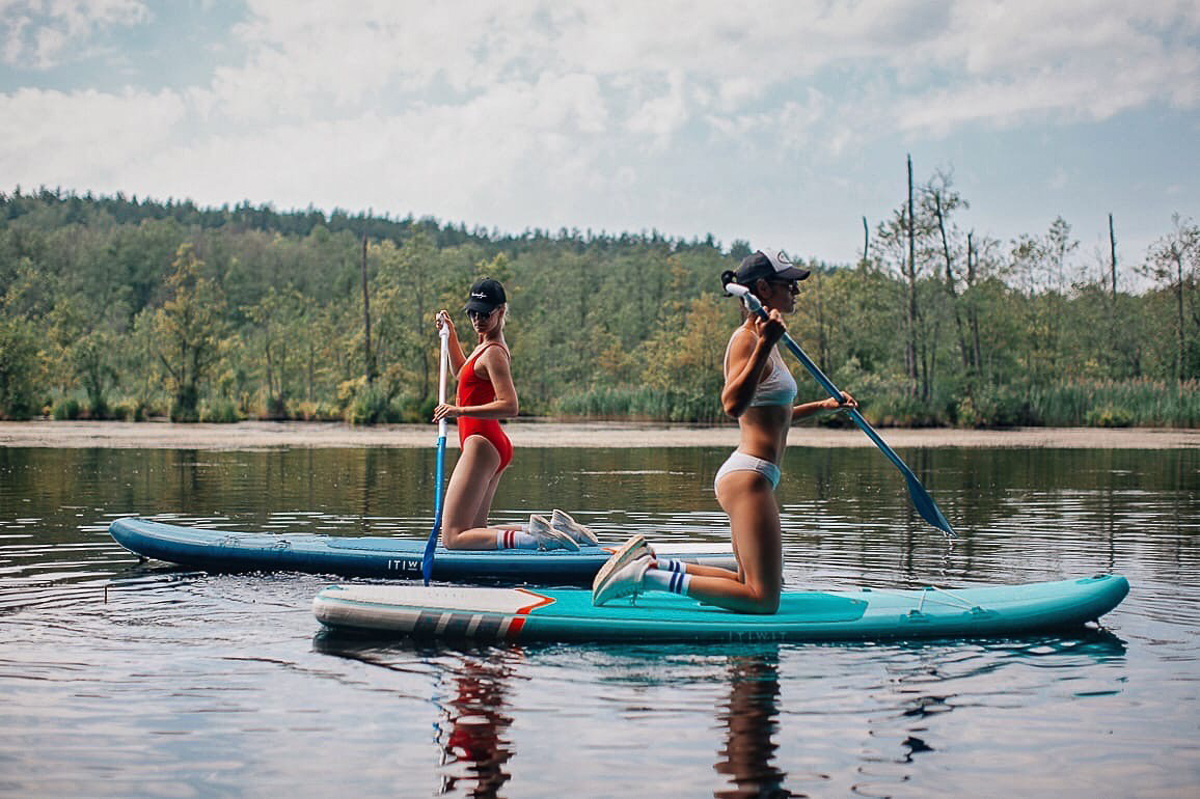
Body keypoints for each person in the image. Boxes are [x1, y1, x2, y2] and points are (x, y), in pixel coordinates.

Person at [592, 249, 857, 612]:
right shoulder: (748, 339)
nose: (796, 291)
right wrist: (765, 343)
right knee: (764, 599)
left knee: (749, 582)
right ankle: (646, 578)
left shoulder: (767, 338)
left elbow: (774, 416)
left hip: (756, 474)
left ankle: (654, 565)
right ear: (762, 288)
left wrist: (823, 407)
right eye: (789, 284)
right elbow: (733, 404)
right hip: (749, 476)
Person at [434, 277, 598, 551]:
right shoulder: (483, 346)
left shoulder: (494, 352)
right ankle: (556, 530)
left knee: (452, 537)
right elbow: (460, 371)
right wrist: (450, 333)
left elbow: (510, 405)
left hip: (481, 443)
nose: (477, 319)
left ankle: (532, 540)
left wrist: (457, 410)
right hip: (488, 442)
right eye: (472, 312)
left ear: (501, 311)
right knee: (474, 532)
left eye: (485, 314)